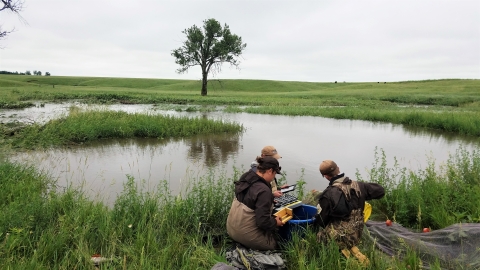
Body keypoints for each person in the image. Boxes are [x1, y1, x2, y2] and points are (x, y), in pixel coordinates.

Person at [314, 160, 385, 265]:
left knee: (319, 235)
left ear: (326, 176)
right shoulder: (359, 186)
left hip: (340, 237)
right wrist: (362, 191)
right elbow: (380, 191)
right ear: (338, 168)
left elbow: (321, 221)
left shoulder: (328, 193)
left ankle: (341, 252)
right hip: (357, 234)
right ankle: (350, 249)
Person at [227, 156, 284, 250]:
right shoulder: (264, 191)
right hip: (246, 236)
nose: (274, 177)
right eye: (274, 174)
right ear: (270, 171)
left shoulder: (246, 176)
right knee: (276, 244)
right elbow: (263, 222)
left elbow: (249, 198)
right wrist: (275, 222)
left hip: (231, 229)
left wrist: (270, 197)